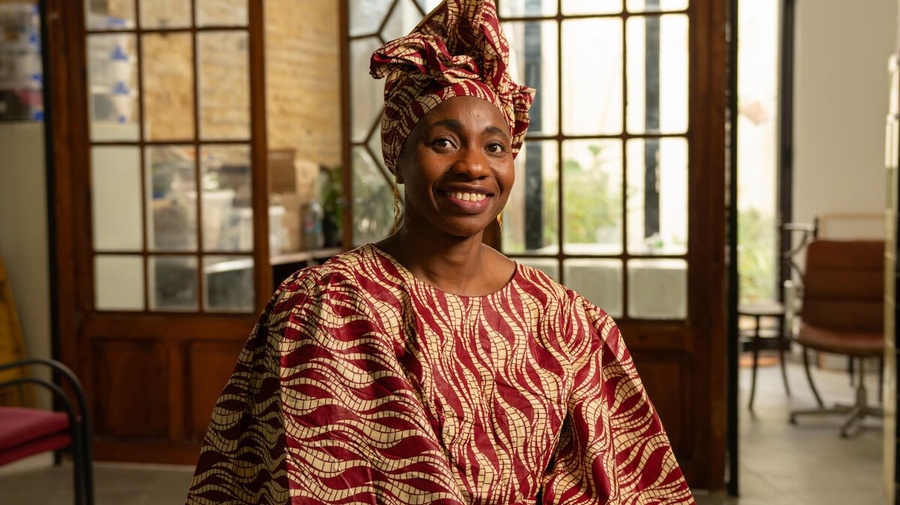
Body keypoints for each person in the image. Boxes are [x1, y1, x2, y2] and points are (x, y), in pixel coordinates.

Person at [185, 0, 695, 503]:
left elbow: (624, 481)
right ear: (399, 156)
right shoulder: (328, 306)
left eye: (495, 146)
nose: (474, 166)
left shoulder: (563, 320)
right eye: (444, 142)